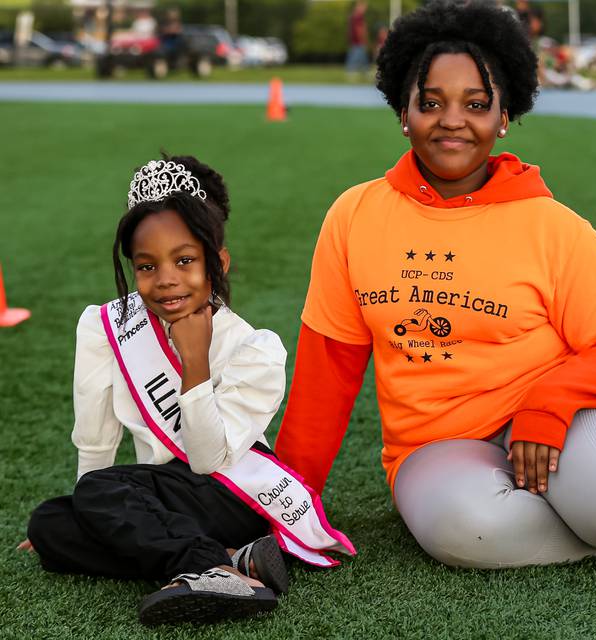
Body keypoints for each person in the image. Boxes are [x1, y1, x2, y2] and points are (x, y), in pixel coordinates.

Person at [274, 0, 596, 569]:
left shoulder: (550, 224)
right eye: (431, 103)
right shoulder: (354, 216)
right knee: (466, 534)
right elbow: (329, 367)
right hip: (434, 446)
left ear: (504, 115)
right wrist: (288, 499)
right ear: (403, 109)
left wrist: (547, 406)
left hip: (553, 418)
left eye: (476, 104)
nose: (452, 121)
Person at [18, 155, 354, 624]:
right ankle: (237, 560)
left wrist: (194, 362)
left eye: (184, 260)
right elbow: (96, 436)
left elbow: (208, 459)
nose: (166, 280)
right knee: (51, 525)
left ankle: (204, 567)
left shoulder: (255, 349)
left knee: (100, 491)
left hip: (229, 497)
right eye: (147, 266)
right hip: (153, 500)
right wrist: (89, 514)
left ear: (217, 261)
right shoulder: (106, 326)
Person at [345, 0, 369, 81]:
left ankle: (365, 72)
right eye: (363, 7)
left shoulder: (355, 16)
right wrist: (362, 38)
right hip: (357, 41)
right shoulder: (357, 16)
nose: (365, 9)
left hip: (356, 40)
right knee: (355, 56)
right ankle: (351, 72)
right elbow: (358, 29)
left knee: (362, 57)